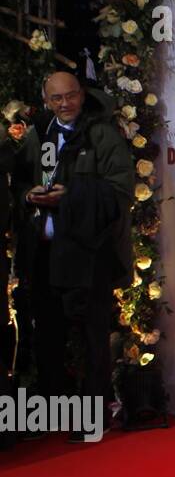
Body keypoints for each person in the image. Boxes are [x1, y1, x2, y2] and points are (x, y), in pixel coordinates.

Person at [13, 72, 132, 442]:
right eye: (56, 99)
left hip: (87, 254)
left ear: (83, 94)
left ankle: (92, 417)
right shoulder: (38, 135)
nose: (65, 104)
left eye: (71, 96)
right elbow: (19, 182)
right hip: (44, 253)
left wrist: (72, 196)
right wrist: (29, 197)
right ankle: (51, 412)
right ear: (46, 101)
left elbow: (120, 191)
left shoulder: (103, 135)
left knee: (91, 338)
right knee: (47, 335)